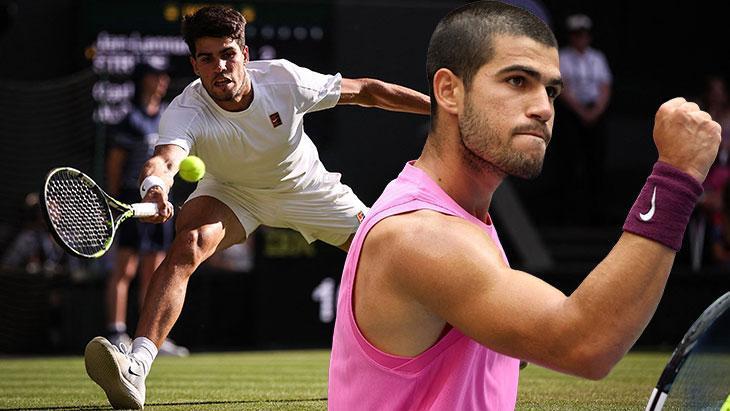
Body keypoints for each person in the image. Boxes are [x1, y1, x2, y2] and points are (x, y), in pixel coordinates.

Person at [327, 2, 720, 409]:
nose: (544, 109)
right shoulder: (420, 234)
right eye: (517, 81)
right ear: (448, 91)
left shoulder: (460, 219)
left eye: (551, 91)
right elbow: (586, 342)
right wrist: (677, 175)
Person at [83, 5, 430, 410]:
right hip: (234, 193)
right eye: (207, 58)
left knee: (390, 257)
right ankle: (136, 368)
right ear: (194, 65)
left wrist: (441, 111)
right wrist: (155, 187)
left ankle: (459, 336)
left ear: (244, 54)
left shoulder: (284, 80)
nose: (220, 67)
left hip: (305, 187)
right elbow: (164, 160)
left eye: (227, 54)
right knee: (188, 242)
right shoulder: (186, 109)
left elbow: (366, 91)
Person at [103, 62, 188, 356]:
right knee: (125, 268)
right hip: (132, 201)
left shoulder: (167, 120)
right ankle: (116, 332)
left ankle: (148, 339)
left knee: (155, 272)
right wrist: (116, 201)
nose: (162, 81)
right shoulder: (130, 120)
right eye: (156, 76)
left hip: (161, 203)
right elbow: (114, 166)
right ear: (143, 81)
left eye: (164, 76)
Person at [555, 13, 613, 223]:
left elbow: (605, 86)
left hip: (595, 112)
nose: (580, 38)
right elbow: (562, 87)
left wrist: (596, 111)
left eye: (584, 34)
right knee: (570, 161)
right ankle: (568, 213)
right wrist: (580, 111)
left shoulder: (597, 58)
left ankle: (596, 212)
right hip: (571, 113)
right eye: (576, 34)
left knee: (596, 162)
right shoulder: (563, 57)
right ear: (571, 36)